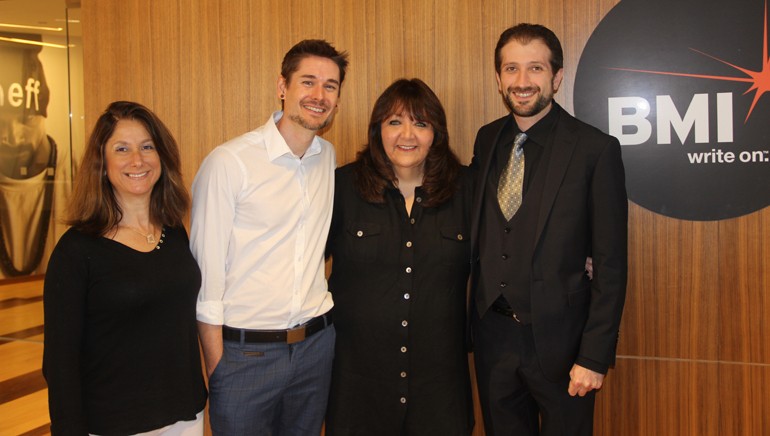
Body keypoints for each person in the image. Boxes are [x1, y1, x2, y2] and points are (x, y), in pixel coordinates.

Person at [470, 23, 628, 435]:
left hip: (564, 348)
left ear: (556, 77)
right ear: (499, 78)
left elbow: (611, 265)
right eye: (511, 70)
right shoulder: (487, 141)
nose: (522, 82)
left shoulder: (595, 150)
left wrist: (594, 356)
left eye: (535, 69)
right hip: (493, 338)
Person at [191, 39, 348, 435]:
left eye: (330, 86)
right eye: (308, 82)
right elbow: (205, 277)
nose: (319, 95)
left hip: (316, 347)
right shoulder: (230, 163)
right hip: (246, 354)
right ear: (282, 86)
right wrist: (218, 368)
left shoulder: (326, 158)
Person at [43, 101, 207, 435]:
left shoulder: (174, 231)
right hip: (113, 423)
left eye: (147, 146)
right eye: (122, 149)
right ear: (102, 164)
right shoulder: (76, 251)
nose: (138, 160)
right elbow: (60, 363)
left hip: (184, 415)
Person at [325, 78, 474, 436]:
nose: (407, 135)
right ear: (377, 130)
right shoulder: (341, 187)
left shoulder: (467, 188)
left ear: (436, 133)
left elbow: (507, 252)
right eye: (395, 122)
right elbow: (298, 256)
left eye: (420, 124)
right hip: (359, 391)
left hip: (440, 392)